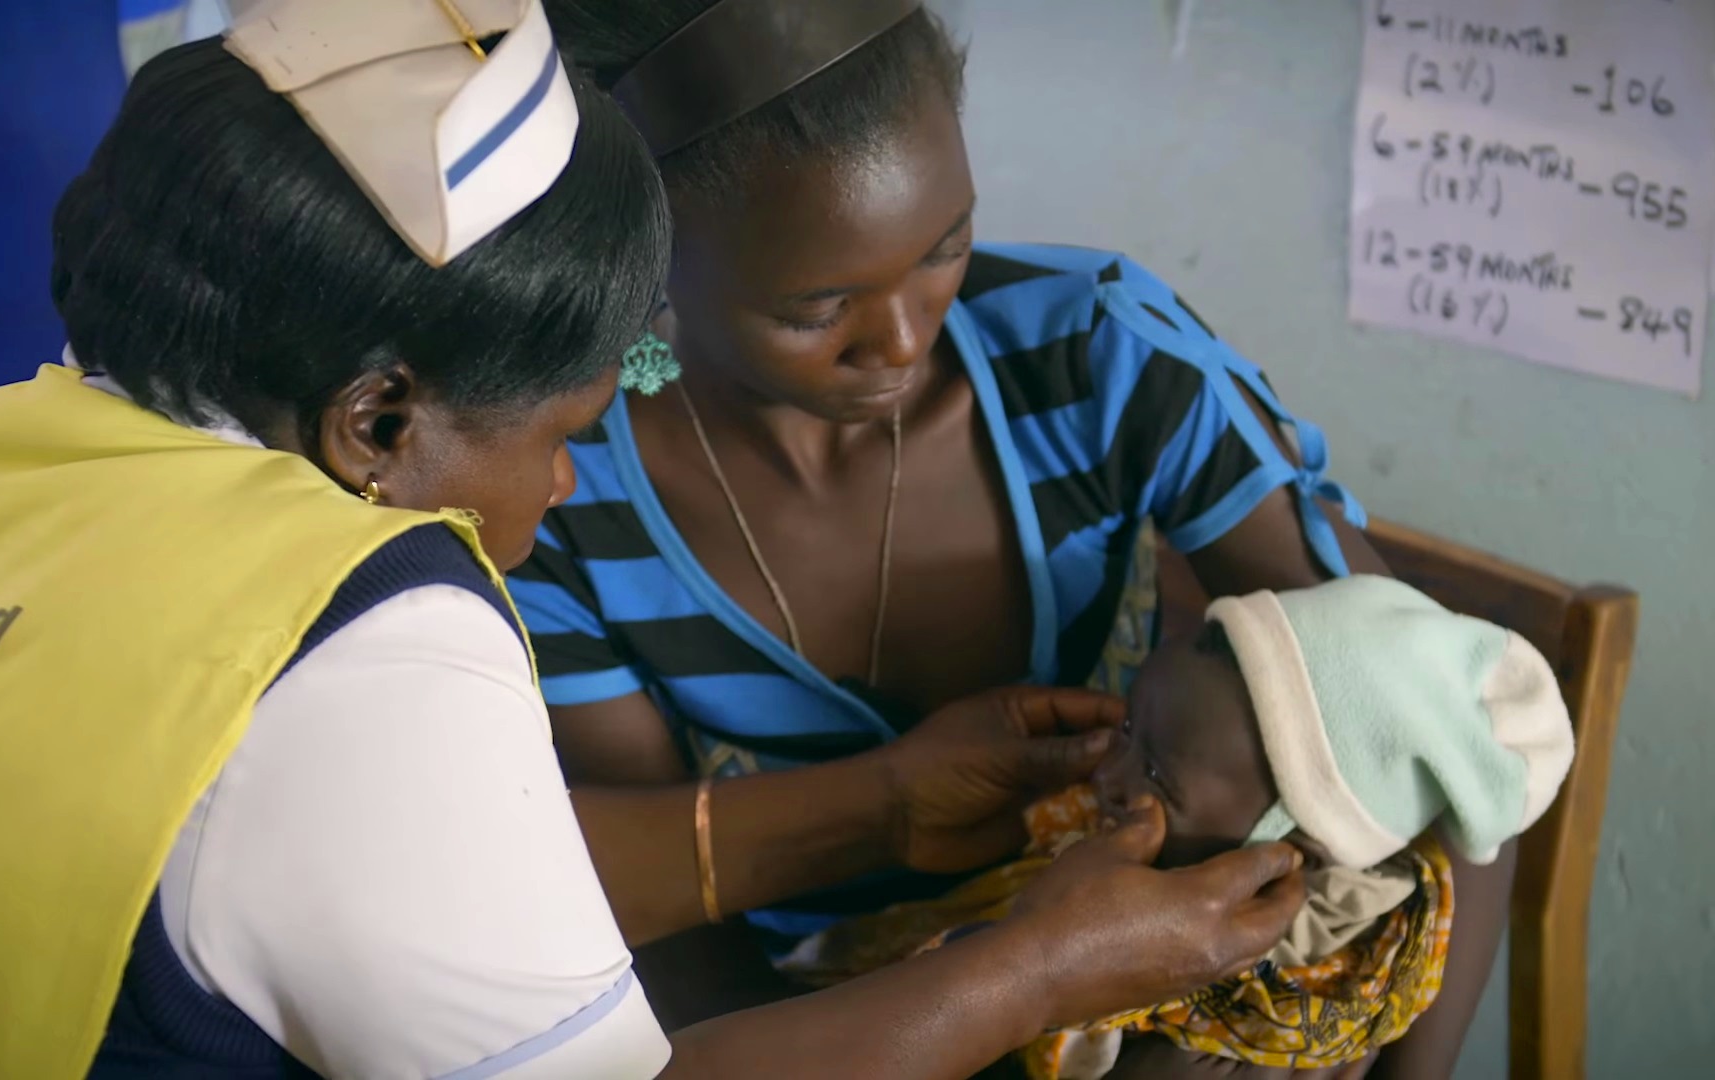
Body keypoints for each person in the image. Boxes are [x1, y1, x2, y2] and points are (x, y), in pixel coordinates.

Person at [0, 3, 1313, 1078]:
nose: (563, 489)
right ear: (376, 420)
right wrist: (1044, 967)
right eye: (561, 432)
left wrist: (893, 821)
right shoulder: (368, 654)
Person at [518, 0, 1518, 1072]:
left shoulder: (1098, 354)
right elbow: (663, 924)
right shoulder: (559, 485)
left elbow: (1450, 748)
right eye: (817, 311)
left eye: (946, 245)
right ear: (650, 257)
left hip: (1139, 979)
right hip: (818, 1008)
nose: (906, 339)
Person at [780, 576, 1575, 1078]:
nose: (1108, 777)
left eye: (1155, 774)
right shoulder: (1097, 863)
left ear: (1288, 855)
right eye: (1129, 731)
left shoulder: (1285, 998)